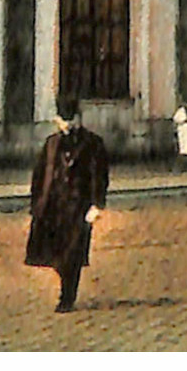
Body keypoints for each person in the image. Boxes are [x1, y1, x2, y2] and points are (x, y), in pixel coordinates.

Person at [25, 94, 110, 313]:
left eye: (72, 119)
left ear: (79, 119)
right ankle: (66, 285)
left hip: (78, 207)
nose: (68, 124)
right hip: (54, 205)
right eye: (64, 120)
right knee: (55, 252)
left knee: (72, 252)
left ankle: (67, 296)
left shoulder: (92, 143)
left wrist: (97, 205)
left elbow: (99, 175)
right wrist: (36, 203)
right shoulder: (52, 143)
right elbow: (40, 174)